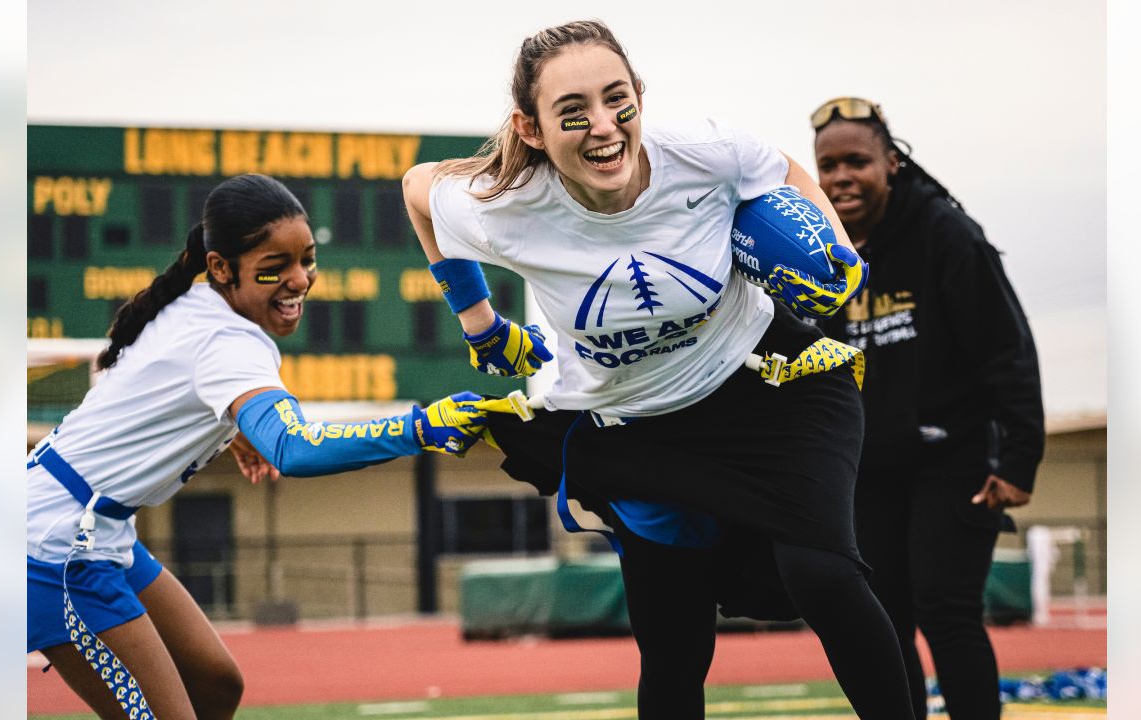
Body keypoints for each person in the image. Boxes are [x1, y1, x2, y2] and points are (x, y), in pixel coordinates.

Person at [402, 20, 915, 720]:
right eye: (573, 113)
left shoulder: (705, 154)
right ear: (530, 128)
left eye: (620, 101)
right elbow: (418, 188)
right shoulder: (505, 207)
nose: (605, 127)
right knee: (672, 643)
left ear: (641, 95)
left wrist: (833, 244)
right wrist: (480, 322)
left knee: (822, 573)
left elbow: (784, 169)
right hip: (638, 429)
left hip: (770, 385)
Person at [26, 173, 491, 720]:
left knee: (217, 684)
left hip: (86, 526)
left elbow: (145, 400)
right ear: (221, 266)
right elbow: (295, 448)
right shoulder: (230, 340)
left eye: (307, 259)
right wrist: (421, 426)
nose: (300, 279)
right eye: (276, 264)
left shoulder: (192, 302)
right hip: (55, 547)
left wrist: (235, 432)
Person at [808, 96, 1046, 719]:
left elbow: (1007, 347)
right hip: (867, 465)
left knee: (947, 609)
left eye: (856, 162)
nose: (840, 178)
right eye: (827, 166)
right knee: (884, 621)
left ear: (891, 162)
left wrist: (1020, 459)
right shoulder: (815, 245)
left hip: (954, 454)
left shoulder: (945, 232)